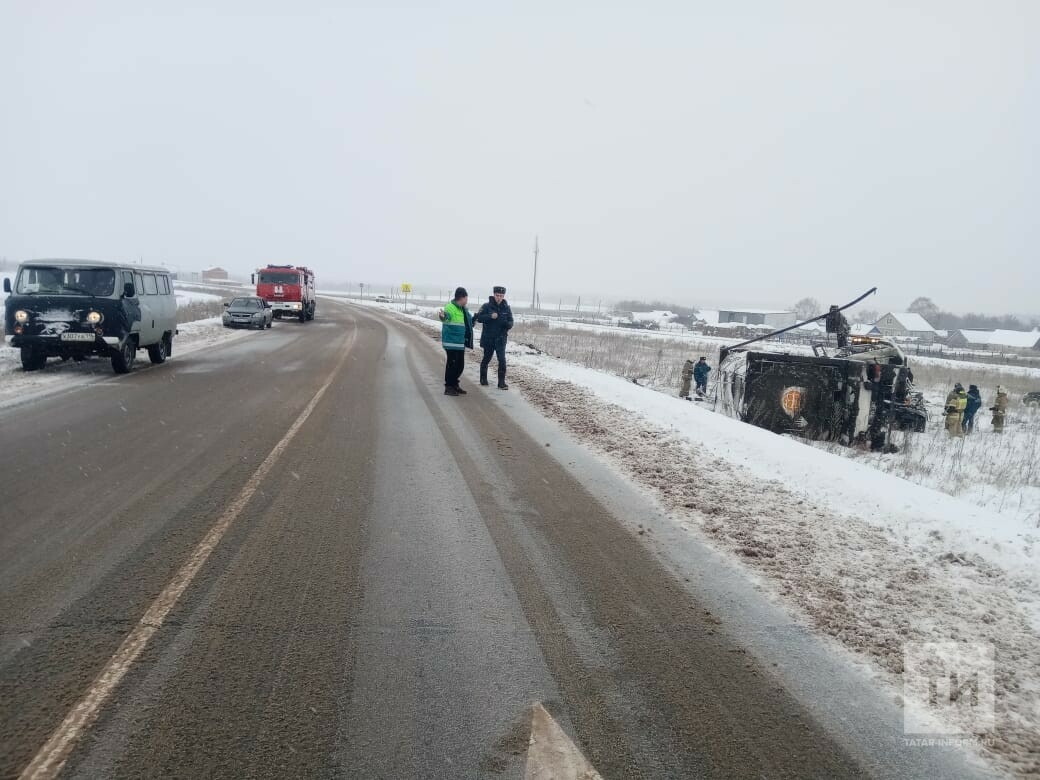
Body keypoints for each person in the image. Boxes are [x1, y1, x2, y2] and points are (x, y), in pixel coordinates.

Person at [473, 285, 514, 389]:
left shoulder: (506, 308)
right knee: (487, 358)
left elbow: (511, 321)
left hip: (501, 338)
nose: (499, 297)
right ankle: (483, 379)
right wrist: (490, 316)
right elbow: (479, 318)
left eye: (501, 295)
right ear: (494, 294)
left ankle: (501, 383)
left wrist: (507, 324)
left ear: (503, 296)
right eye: (497, 295)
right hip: (489, 338)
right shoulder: (486, 306)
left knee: (502, 360)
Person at [438, 287, 473, 396]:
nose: (467, 300)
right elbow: (446, 317)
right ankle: (448, 387)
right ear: (461, 297)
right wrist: (443, 316)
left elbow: (468, 322)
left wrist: (476, 318)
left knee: (460, 365)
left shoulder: (463, 309)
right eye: (466, 298)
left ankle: (454, 384)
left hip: (460, 342)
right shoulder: (450, 307)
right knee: (452, 365)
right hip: (451, 342)